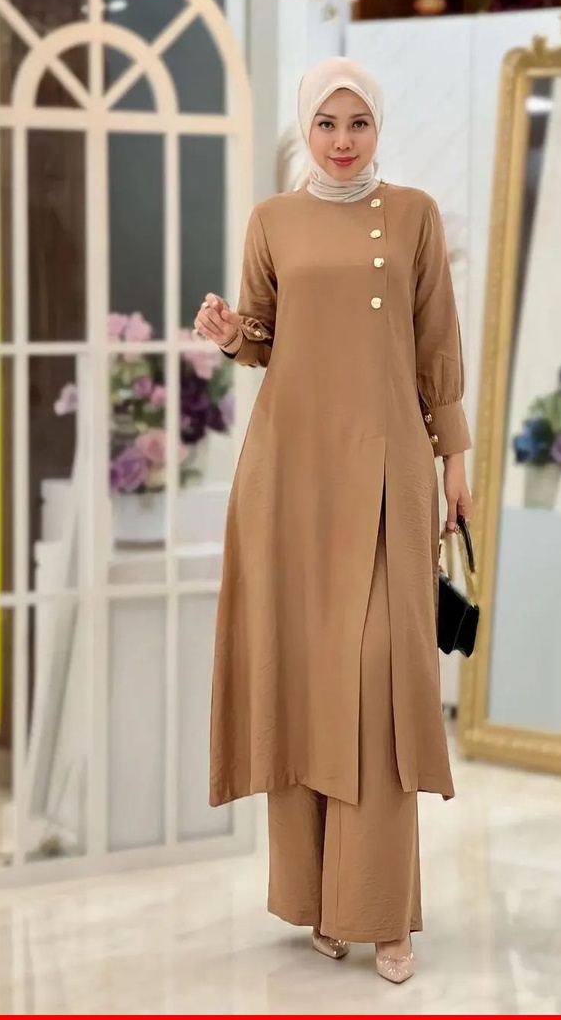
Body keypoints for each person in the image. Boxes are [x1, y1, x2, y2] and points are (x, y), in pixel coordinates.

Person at [195, 57, 472, 986]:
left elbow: (436, 343)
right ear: (305, 129)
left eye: (358, 123)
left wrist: (456, 458)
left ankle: (381, 910)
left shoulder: (415, 215)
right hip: (291, 474)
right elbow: (266, 339)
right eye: (326, 123)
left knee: (380, 685)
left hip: (390, 468)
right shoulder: (272, 220)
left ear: (377, 128)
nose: (342, 140)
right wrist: (232, 334)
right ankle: (320, 900)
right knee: (306, 679)